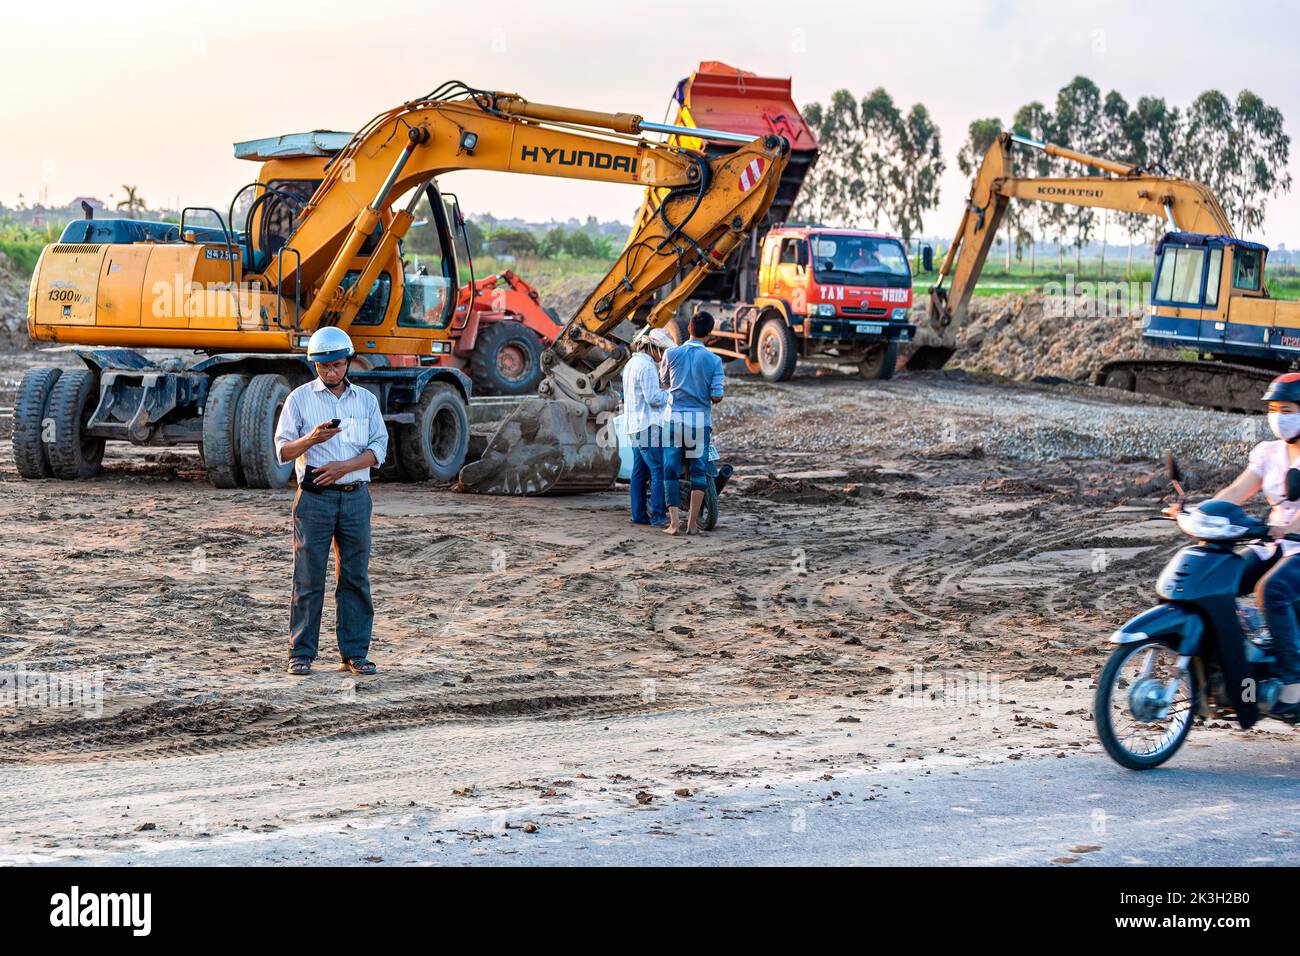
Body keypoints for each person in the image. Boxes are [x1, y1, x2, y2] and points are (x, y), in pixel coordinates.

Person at [274, 327, 389, 677]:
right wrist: (310, 439)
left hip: (355, 498)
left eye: (336, 365)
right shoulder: (298, 400)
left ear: (348, 362)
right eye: (322, 367)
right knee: (308, 578)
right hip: (314, 499)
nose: (330, 373)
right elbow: (282, 451)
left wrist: (344, 467)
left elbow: (378, 449)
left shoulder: (366, 401)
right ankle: (301, 653)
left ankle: (354, 653)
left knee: (355, 577)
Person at [1213, 371, 1300, 717]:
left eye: (1288, 408)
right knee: (1221, 579)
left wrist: (1288, 527)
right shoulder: (1269, 453)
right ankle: (1236, 667)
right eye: (1274, 408)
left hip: (1296, 542)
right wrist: (1204, 513)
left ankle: (1293, 687)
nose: (1279, 415)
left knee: (1270, 590)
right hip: (1273, 542)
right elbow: (1235, 492)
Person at [660, 311, 724, 536]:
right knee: (698, 470)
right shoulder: (714, 360)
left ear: (689, 328)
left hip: (673, 419)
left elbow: (665, 382)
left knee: (670, 469)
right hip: (698, 421)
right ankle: (692, 524)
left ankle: (674, 524)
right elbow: (716, 396)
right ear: (710, 333)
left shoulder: (671, 353)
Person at [623, 326, 674, 526]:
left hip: (634, 425)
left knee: (639, 473)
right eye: (662, 352)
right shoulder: (647, 367)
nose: (662, 357)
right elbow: (653, 398)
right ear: (653, 348)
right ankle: (659, 516)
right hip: (648, 426)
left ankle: (639, 515)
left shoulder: (632, 363)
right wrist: (671, 393)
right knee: (659, 469)